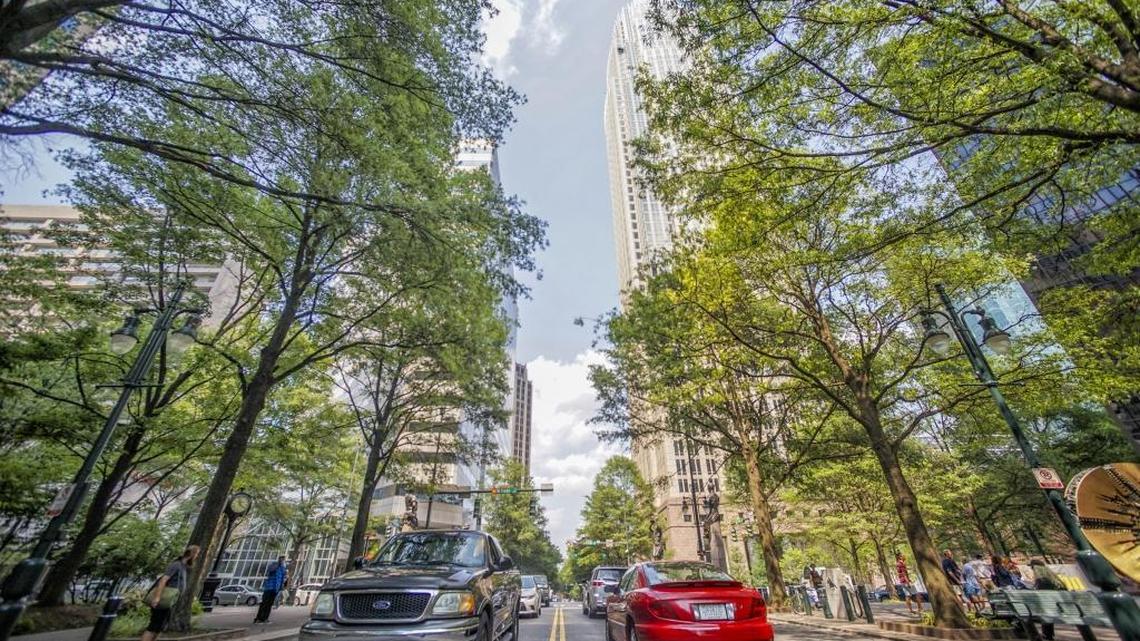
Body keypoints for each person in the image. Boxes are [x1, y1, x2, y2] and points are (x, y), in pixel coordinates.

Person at [142, 545, 200, 641]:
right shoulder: (176, 565)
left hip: (169, 602)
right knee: (153, 626)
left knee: (159, 627)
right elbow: (163, 580)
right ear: (192, 553)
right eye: (196, 553)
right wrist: (157, 598)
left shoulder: (183, 567)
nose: (197, 556)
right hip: (162, 600)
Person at [1031, 560, 1066, 641]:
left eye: (1032, 568)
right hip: (1058, 608)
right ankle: (1048, 635)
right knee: (1047, 610)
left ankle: (1045, 635)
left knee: (1042, 611)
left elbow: (1038, 596)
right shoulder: (1055, 580)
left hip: (1045, 609)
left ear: (1036, 569)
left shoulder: (1041, 581)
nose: (1032, 570)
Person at [254, 556, 288, 624]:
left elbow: (282, 579)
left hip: (275, 589)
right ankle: (258, 619)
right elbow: (270, 570)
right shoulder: (274, 565)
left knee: (269, 604)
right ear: (279, 560)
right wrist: (279, 564)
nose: (284, 562)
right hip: (269, 588)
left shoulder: (283, 569)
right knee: (264, 603)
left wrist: (282, 586)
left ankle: (265, 618)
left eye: (284, 561)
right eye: (283, 560)